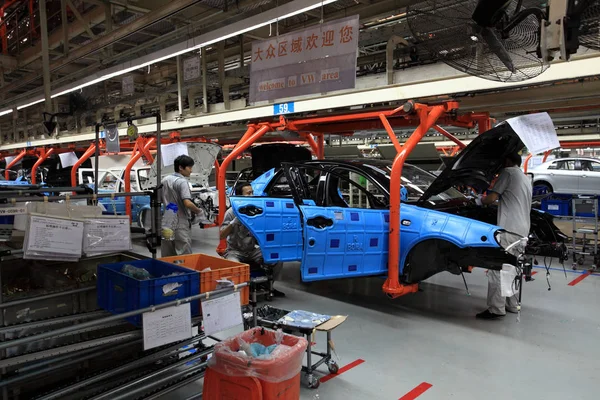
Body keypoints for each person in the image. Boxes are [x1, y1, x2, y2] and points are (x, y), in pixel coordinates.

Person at [475, 152, 532, 320]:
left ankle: (495, 309)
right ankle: (513, 305)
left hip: (509, 229)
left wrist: (479, 200)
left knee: (497, 268)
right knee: (514, 268)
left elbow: (491, 198)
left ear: (507, 161)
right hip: (522, 230)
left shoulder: (507, 173)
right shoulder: (524, 178)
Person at [220, 182, 285, 297]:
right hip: (234, 251)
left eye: (252, 192)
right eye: (248, 193)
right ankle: (240, 293)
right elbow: (222, 235)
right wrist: (234, 222)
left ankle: (269, 286)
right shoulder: (231, 212)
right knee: (235, 266)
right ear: (240, 196)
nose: (252, 195)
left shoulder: (256, 211)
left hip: (252, 250)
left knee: (277, 257)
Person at [161, 155, 202, 257]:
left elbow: (160, 199)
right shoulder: (182, 182)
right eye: (189, 167)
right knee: (184, 253)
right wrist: (198, 211)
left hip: (167, 219)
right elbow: (187, 203)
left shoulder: (165, 180)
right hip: (180, 220)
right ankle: (185, 272)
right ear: (181, 167)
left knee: (168, 252)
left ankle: (168, 272)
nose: (191, 171)